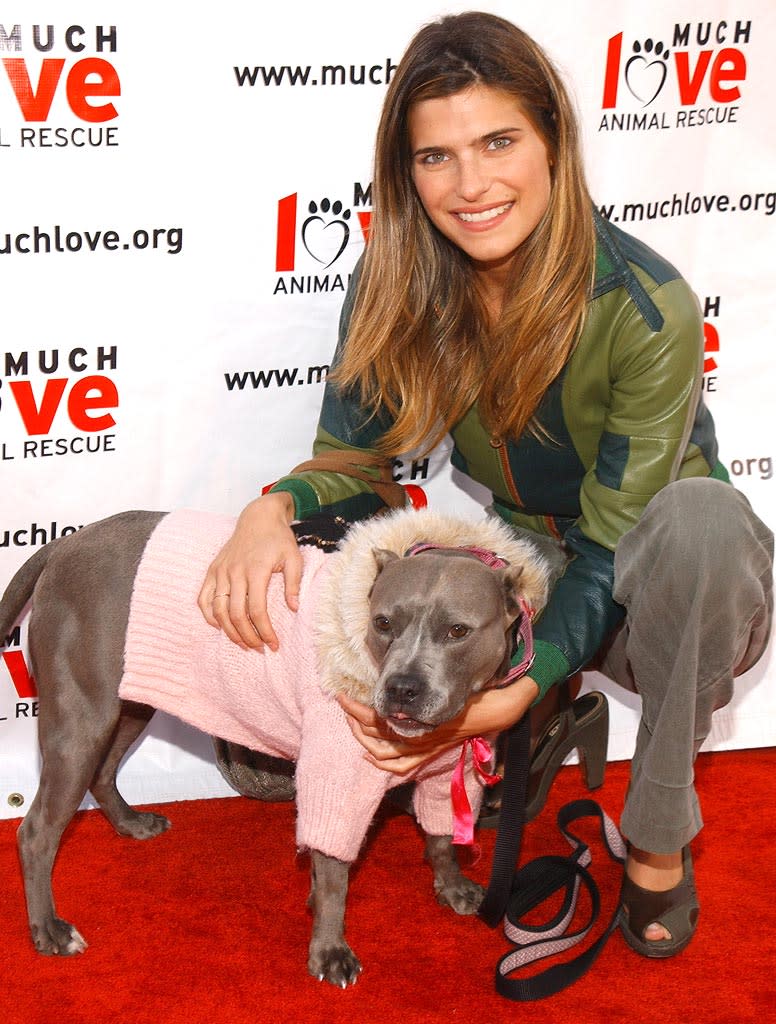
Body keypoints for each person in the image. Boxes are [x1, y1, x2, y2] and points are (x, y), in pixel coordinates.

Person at [198, 12, 773, 958]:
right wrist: (275, 506)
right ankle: (535, 715)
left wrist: (520, 685)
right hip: (532, 563)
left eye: (499, 141)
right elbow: (357, 464)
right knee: (443, 574)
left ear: (554, 139)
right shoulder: (399, 285)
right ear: (406, 170)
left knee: (699, 521)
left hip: (675, 579)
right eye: (436, 157)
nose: (470, 186)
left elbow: (612, 543)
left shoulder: (643, 303)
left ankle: (660, 831)